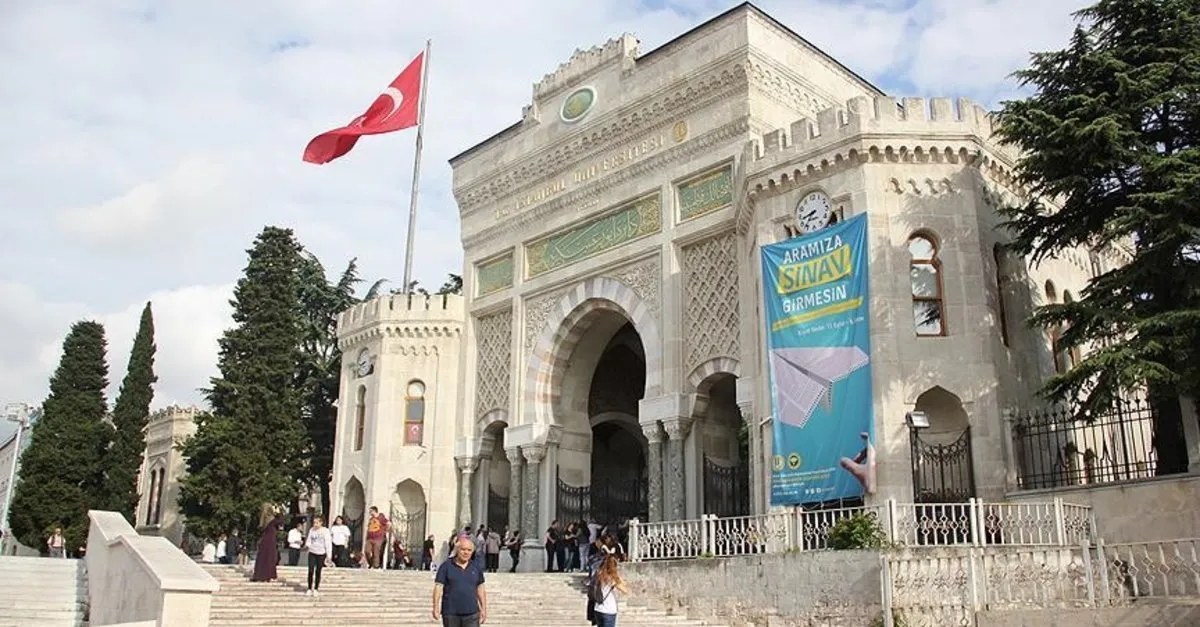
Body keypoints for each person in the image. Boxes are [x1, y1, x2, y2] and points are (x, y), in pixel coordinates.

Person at [432, 536, 487, 627]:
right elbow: (438, 587)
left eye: (469, 550)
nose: (466, 552)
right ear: (457, 550)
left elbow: (480, 588)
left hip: (472, 613)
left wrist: (483, 608)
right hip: (451, 613)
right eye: (463, 549)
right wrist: (435, 607)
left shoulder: (476, 567)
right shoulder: (446, 566)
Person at [590, 553, 630, 627]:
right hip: (608, 610)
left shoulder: (598, 574)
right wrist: (619, 578)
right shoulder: (611, 578)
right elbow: (625, 590)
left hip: (598, 609)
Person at [251, 505, 284, 582]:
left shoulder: (264, 519)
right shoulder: (271, 519)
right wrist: (279, 513)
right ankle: (268, 575)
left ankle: (261, 575)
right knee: (270, 558)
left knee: (263, 557)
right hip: (271, 540)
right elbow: (281, 521)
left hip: (265, 540)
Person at [304, 515, 333, 597]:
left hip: (321, 553)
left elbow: (328, 543)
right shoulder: (311, 530)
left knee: (318, 571)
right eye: (314, 522)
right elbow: (309, 540)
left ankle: (316, 588)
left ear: (321, 523)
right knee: (310, 570)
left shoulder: (325, 531)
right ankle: (309, 588)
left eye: (317, 522)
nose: (315, 524)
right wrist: (308, 546)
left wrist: (329, 555)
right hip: (312, 552)